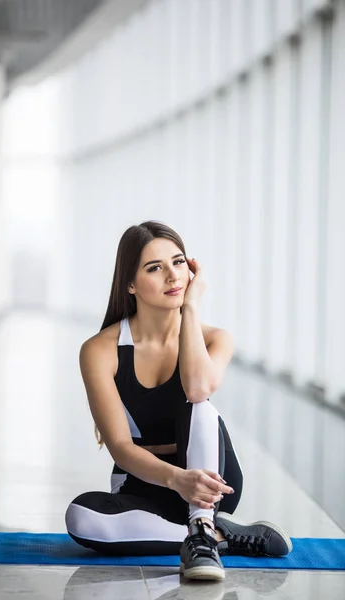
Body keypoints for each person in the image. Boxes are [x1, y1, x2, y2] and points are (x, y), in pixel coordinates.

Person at [65, 221, 292, 581]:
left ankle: (202, 524)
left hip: (210, 482)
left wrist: (192, 306)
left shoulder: (217, 339)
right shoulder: (99, 350)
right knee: (80, 517)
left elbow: (199, 388)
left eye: (179, 262)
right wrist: (176, 478)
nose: (173, 276)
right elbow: (121, 449)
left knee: (198, 406)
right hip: (142, 484)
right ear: (130, 283)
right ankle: (216, 537)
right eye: (155, 268)